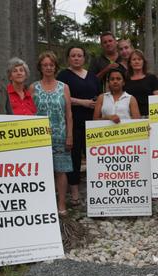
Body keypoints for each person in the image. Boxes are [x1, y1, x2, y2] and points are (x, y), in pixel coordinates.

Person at [29, 51, 74, 215]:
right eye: (45, 65)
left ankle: (62, 204)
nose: (48, 67)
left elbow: (68, 113)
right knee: (41, 171)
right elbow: (29, 113)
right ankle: (44, 205)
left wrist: (70, 135)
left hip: (60, 134)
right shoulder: (33, 87)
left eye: (51, 65)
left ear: (55, 67)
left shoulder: (64, 87)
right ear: (40, 67)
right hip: (39, 137)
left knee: (60, 171)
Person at [57, 46, 101, 207]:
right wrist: (82, 102)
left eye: (79, 55)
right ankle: (74, 194)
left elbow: (100, 95)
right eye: (73, 55)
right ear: (68, 58)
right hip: (72, 123)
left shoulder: (93, 77)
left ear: (84, 58)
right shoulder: (63, 76)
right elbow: (61, 96)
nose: (76, 58)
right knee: (74, 158)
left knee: (94, 157)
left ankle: (96, 192)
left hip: (92, 123)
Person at [124, 49, 158, 117]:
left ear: (143, 62)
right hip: (129, 117)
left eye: (139, 59)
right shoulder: (125, 80)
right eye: (134, 59)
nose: (137, 61)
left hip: (149, 116)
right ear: (130, 63)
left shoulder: (152, 78)